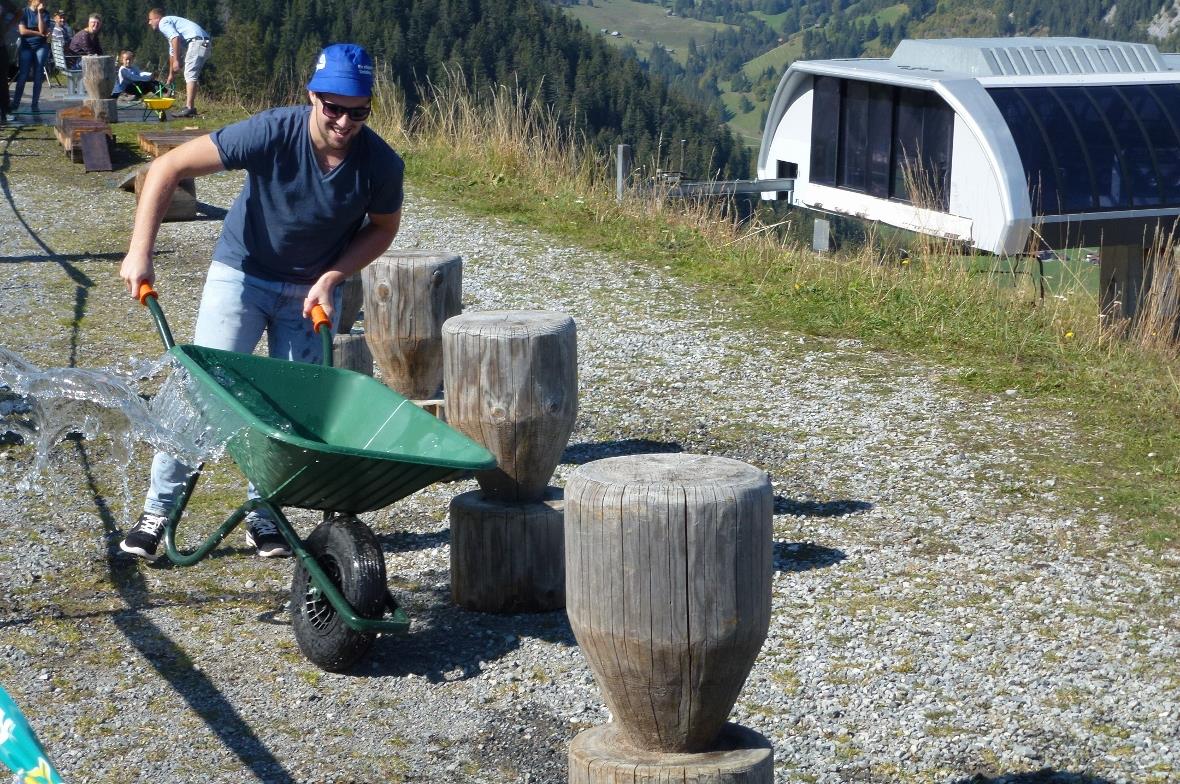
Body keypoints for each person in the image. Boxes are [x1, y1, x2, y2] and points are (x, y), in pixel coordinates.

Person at [118, 44, 404, 561]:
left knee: (290, 412)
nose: (343, 121)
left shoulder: (381, 164)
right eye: (332, 108)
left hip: (310, 289)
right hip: (242, 274)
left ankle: (265, 514)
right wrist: (140, 251)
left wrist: (334, 276)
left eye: (357, 112)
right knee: (202, 390)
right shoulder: (273, 132)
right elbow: (167, 169)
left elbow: (383, 229)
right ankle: (156, 513)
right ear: (312, 96)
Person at [147, 7, 207, 118]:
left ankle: (189, 108)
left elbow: (175, 38)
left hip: (196, 42)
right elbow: (172, 51)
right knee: (191, 74)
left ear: (157, 18)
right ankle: (189, 107)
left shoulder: (163, 22)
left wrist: (177, 60)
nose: (149, 22)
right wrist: (171, 75)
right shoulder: (170, 24)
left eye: (150, 19)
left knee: (190, 75)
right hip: (202, 42)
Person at [11, 0, 50, 116]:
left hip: (41, 46)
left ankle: (34, 104)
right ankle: (16, 103)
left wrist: (39, 13)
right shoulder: (24, 12)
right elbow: (22, 31)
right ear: (31, 1)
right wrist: (39, 34)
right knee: (23, 74)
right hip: (26, 46)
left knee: (38, 74)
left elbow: (42, 29)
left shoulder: (45, 13)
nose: (42, 1)